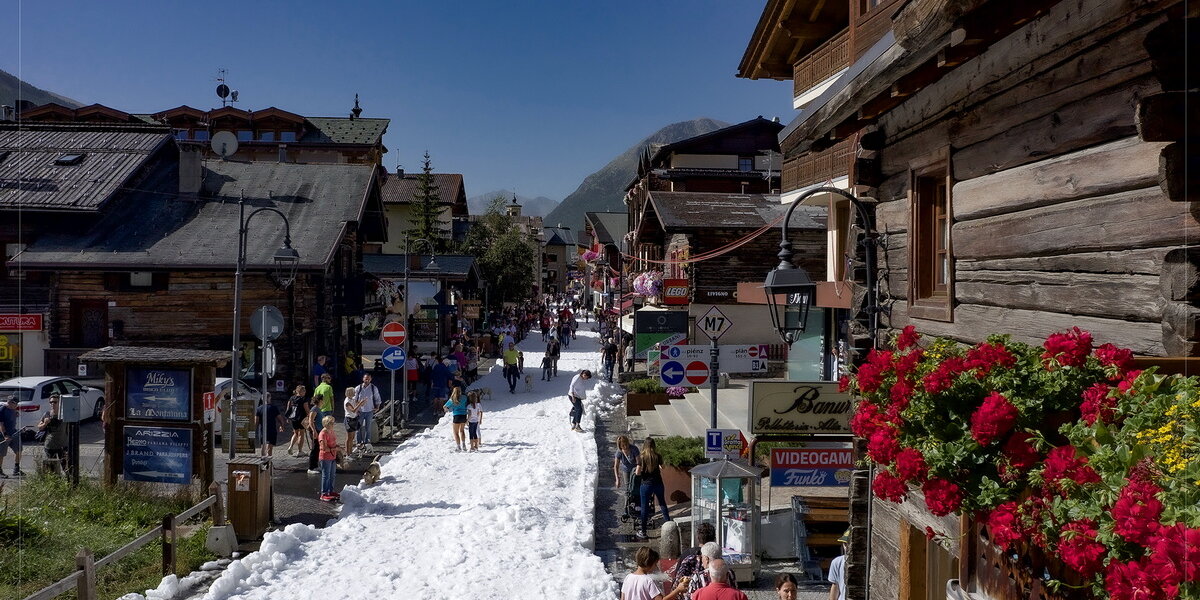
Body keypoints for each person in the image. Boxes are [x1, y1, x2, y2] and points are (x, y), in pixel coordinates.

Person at [635, 436, 671, 539]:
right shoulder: (657, 456)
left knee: (644, 508)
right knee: (662, 503)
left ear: (644, 445)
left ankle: (643, 531)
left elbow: (637, 472)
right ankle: (669, 526)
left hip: (646, 485)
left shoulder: (641, 457)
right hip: (658, 483)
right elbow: (663, 467)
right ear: (654, 445)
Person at [621, 546, 688, 600]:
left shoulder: (628, 578)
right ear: (648, 563)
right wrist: (678, 590)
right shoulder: (648, 581)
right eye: (655, 564)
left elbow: (622, 598)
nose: (656, 567)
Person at [672, 522, 717, 596]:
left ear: (698, 538)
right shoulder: (716, 555)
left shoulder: (687, 554)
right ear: (714, 538)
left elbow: (677, 576)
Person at [37, 393, 68, 473]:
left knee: (66, 467)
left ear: (59, 402)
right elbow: (39, 427)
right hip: (50, 445)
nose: (52, 404)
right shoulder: (47, 414)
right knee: (52, 468)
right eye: (51, 402)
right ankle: (55, 484)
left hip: (63, 445)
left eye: (55, 402)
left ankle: (69, 484)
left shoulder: (64, 414)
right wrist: (45, 423)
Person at [352, 373, 382, 451]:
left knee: (368, 428)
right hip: (360, 411)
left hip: (369, 410)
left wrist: (377, 407)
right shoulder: (358, 388)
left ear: (371, 379)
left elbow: (377, 398)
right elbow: (354, 399)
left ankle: (367, 443)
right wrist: (356, 409)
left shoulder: (373, 388)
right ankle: (358, 443)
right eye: (365, 379)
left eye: (368, 379)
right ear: (363, 379)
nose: (367, 380)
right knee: (358, 427)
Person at [317, 415, 341, 501]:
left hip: (332, 456)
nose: (333, 424)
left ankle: (330, 491)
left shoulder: (331, 431)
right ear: (327, 424)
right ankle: (323, 494)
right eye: (332, 423)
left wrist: (338, 447)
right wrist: (335, 449)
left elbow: (333, 442)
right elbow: (324, 449)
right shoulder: (323, 434)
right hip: (325, 457)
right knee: (326, 476)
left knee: (332, 475)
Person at [0, 395, 24, 477]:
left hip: (13, 433)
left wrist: (16, 413)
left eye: (17, 403)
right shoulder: (2, 410)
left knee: (19, 449)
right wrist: (5, 435)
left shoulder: (13, 409)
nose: (16, 405)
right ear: (9, 402)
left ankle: (16, 469)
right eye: (15, 403)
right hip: (3, 434)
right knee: (1, 453)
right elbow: (1, 425)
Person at [285, 385, 309, 456]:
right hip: (301, 418)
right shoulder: (303, 399)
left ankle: (291, 446)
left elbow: (288, 408)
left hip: (293, 418)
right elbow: (306, 409)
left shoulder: (292, 398)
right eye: (304, 390)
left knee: (295, 433)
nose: (305, 392)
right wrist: (310, 416)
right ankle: (300, 451)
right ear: (300, 391)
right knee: (301, 434)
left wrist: (287, 418)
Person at [828, 529, 849, 600]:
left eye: (850, 543)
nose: (847, 547)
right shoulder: (837, 562)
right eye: (845, 544)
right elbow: (835, 586)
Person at [306, 400, 322, 474]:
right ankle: (311, 468)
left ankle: (315, 465)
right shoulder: (314, 409)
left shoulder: (318, 408)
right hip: (315, 431)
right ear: (320, 400)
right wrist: (314, 431)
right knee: (314, 448)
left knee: (317, 448)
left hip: (319, 430)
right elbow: (311, 421)